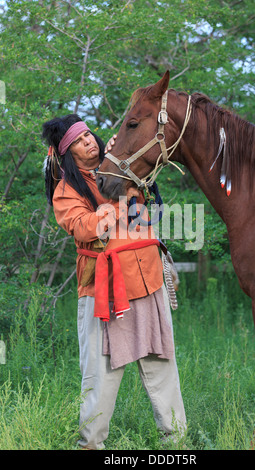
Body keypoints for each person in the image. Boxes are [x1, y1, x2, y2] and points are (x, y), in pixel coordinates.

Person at [42, 114, 186, 450]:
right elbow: (86, 227)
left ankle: (177, 443)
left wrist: (121, 162)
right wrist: (120, 200)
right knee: (100, 375)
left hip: (147, 279)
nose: (89, 141)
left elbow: (143, 203)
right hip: (104, 290)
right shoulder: (65, 191)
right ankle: (91, 444)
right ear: (67, 152)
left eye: (89, 135)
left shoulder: (118, 167)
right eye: (79, 141)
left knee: (161, 363)